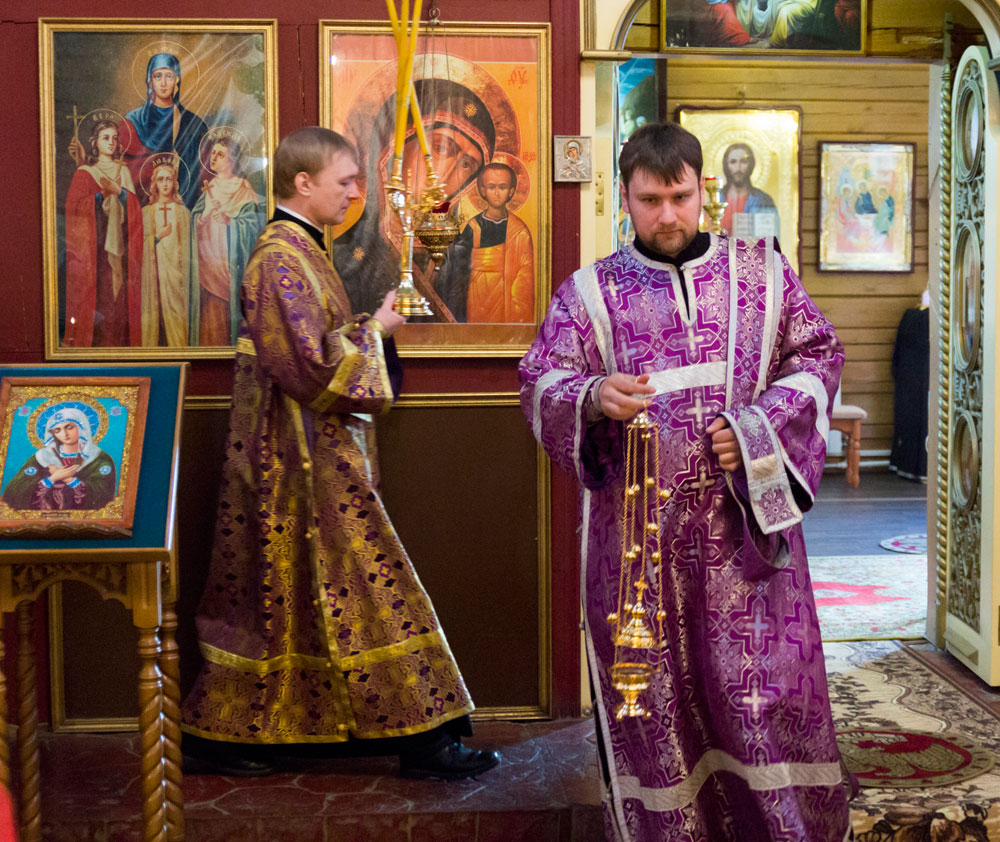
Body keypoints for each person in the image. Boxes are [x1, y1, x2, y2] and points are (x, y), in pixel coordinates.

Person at [519, 122, 849, 841]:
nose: (667, 216)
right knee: (656, 707)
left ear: (705, 191)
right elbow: (540, 379)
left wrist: (759, 427)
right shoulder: (589, 293)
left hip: (745, 543)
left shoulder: (764, 274)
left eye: (680, 197)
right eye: (650, 200)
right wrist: (591, 395)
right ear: (624, 198)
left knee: (760, 699)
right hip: (639, 550)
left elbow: (818, 356)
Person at [181, 127, 499, 782]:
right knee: (364, 587)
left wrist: (365, 327)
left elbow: (315, 345)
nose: (356, 193)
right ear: (304, 184)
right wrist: (376, 327)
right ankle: (422, 742)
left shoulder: (302, 250)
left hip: (311, 456)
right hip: (294, 465)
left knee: (296, 600)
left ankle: (248, 735)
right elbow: (309, 367)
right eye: (345, 181)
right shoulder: (279, 258)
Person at [332, 78, 498, 319]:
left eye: (466, 164)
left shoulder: (458, 259)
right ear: (392, 148)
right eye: (441, 148)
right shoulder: (343, 255)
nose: (445, 176)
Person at [63, 119, 143, 348]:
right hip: (96, 253)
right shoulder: (85, 172)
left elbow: (135, 213)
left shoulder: (123, 172)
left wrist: (121, 194)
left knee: (119, 302)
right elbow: (74, 210)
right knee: (100, 299)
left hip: (120, 251)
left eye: (114, 138)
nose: (111, 143)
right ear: (95, 142)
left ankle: (119, 350)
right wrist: (100, 197)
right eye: (105, 138)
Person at [189, 133, 264, 345]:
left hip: (230, 267)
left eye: (219, 154)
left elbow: (252, 224)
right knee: (210, 317)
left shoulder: (242, 187)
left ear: (232, 159)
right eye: (213, 153)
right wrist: (204, 215)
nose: (213, 157)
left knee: (227, 314)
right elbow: (195, 222)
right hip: (208, 267)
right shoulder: (209, 187)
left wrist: (230, 221)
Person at [116, 53, 208, 209]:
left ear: (176, 80)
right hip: (142, 208)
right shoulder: (132, 123)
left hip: (183, 207)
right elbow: (116, 166)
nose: (163, 83)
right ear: (150, 81)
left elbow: (204, 170)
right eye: (158, 76)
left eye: (169, 76)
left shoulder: (194, 123)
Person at [447, 161, 534, 323]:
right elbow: (460, 273)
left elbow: (525, 275)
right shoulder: (473, 227)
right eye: (491, 187)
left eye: (502, 187)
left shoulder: (520, 231)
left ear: (511, 191)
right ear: (483, 190)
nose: (497, 193)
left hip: (508, 303)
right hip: (478, 299)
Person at [3, 405, 116, 511]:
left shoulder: (98, 458)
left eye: (69, 427)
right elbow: (14, 490)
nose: (64, 434)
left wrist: (69, 480)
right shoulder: (42, 457)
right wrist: (52, 479)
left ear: (82, 427)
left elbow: (103, 492)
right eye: (57, 430)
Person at [141, 157, 191, 346]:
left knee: (178, 316)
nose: (164, 184)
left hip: (177, 277)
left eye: (168, 179)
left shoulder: (183, 213)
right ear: (154, 183)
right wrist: (157, 237)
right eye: (160, 179)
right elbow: (139, 248)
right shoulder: (146, 213)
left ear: (174, 183)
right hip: (154, 277)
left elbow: (190, 250)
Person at [719, 141, 780, 239]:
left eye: (743, 161)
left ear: (751, 165)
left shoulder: (763, 200)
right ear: (726, 165)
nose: (738, 168)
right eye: (733, 162)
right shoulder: (717, 201)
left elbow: (771, 239)